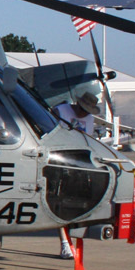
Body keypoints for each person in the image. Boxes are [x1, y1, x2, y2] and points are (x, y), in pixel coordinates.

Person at [52, 89, 102, 257]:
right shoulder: (61, 110)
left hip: (79, 164)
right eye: (82, 109)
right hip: (59, 160)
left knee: (77, 205)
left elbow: (89, 141)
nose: (84, 113)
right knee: (60, 203)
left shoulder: (89, 119)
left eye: (87, 111)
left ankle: (73, 240)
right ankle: (65, 243)